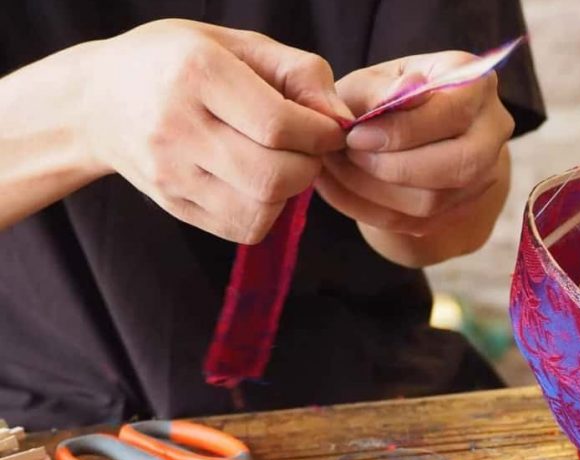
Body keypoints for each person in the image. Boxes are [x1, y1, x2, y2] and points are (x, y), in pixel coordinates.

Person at [0, 1, 545, 430]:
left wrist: (433, 166)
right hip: (36, 430)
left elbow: (451, 230)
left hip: (365, 402)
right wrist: (84, 107)